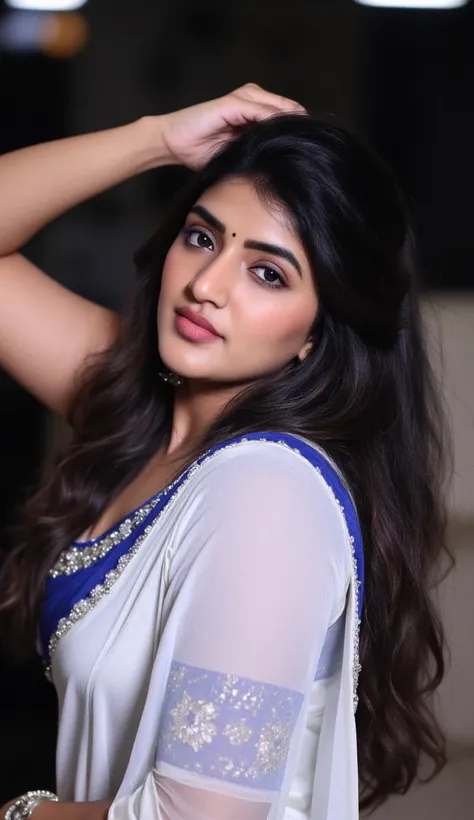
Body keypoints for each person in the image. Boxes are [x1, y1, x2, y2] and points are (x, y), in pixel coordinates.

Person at [0, 84, 450, 820]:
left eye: (268, 273)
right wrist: (158, 138)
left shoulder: (265, 492)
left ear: (317, 329)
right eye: (203, 237)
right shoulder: (139, 412)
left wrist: (20, 813)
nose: (206, 286)